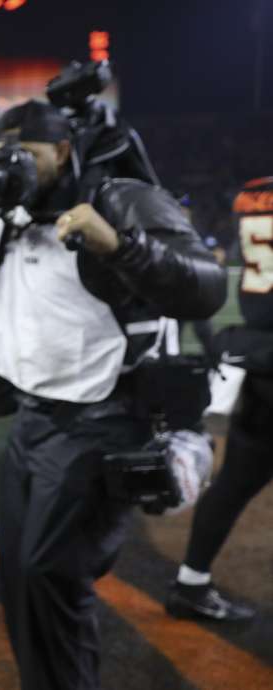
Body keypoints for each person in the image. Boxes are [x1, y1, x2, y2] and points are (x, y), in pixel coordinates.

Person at [0, 100, 227, 690]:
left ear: (64, 151)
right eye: (3, 154)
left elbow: (206, 289)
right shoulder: (9, 212)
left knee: (51, 576)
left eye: (26, 154)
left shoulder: (115, 199)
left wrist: (118, 245)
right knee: (22, 576)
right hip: (33, 417)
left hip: (104, 417)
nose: (11, 165)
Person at [166, 175, 273, 621]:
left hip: (263, 367)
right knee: (235, 483)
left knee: (234, 484)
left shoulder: (252, 193)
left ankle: (191, 583)